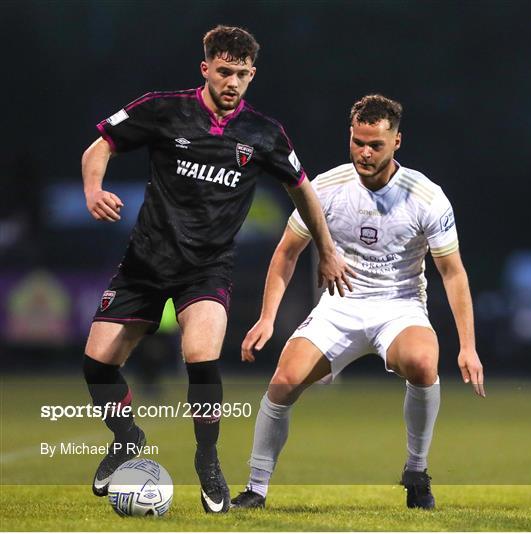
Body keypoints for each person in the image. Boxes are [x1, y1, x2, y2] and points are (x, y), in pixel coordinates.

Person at [81, 25, 351, 514]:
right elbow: (97, 148)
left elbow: (303, 190)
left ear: (252, 75)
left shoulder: (263, 133)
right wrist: (93, 190)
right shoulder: (163, 109)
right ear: (205, 69)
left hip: (206, 269)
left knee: (201, 357)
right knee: (96, 364)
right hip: (145, 263)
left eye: (243, 75)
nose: (233, 83)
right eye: (225, 72)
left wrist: (328, 250)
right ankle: (126, 438)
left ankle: (207, 461)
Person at [232, 94, 485, 510]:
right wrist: (266, 318)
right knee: (282, 383)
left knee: (424, 364)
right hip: (338, 307)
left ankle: (417, 472)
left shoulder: (427, 197)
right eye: (357, 142)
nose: (364, 153)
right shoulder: (325, 188)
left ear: (397, 141)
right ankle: (256, 488)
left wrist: (468, 346)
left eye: (376, 145)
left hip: (399, 306)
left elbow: (452, 273)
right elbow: (286, 252)